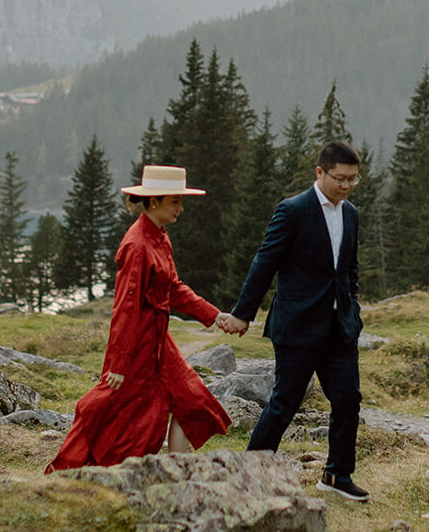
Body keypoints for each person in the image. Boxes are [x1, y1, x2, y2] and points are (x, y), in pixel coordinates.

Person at [46, 165, 233, 471]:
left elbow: (173, 288)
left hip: (159, 341)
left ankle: (176, 473)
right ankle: (73, 470)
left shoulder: (159, 236)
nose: (181, 209)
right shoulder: (136, 245)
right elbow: (125, 308)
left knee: (192, 401)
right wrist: (119, 364)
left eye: (180, 201)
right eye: (175, 201)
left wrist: (214, 315)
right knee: (117, 410)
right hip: (137, 347)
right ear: (154, 201)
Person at [218, 140, 368, 501]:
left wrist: (353, 309)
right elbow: (264, 263)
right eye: (340, 178)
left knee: (349, 399)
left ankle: (336, 476)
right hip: (297, 327)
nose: (346, 186)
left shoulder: (351, 214)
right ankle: (249, 474)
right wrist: (242, 314)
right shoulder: (293, 210)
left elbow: (349, 269)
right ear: (320, 173)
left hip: (339, 329)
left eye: (353, 180)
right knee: (285, 402)